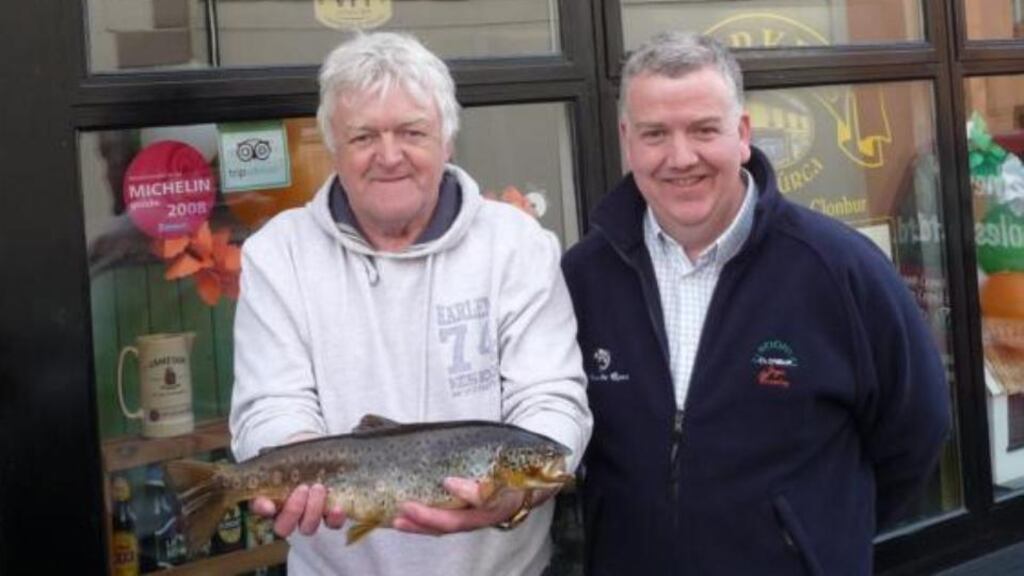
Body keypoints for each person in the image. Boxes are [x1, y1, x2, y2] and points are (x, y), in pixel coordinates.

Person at [561, 31, 950, 575]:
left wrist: (816, 538)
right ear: (627, 141)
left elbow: (917, 430)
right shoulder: (583, 276)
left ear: (742, 134)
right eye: (655, 134)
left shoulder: (839, 269)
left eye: (703, 129)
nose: (680, 157)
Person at [230, 31, 592, 576]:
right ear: (333, 147)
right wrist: (293, 456)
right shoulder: (277, 253)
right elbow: (271, 403)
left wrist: (516, 498)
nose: (389, 156)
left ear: (447, 139)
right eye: (364, 136)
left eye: (412, 132)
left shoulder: (516, 244)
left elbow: (551, 397)